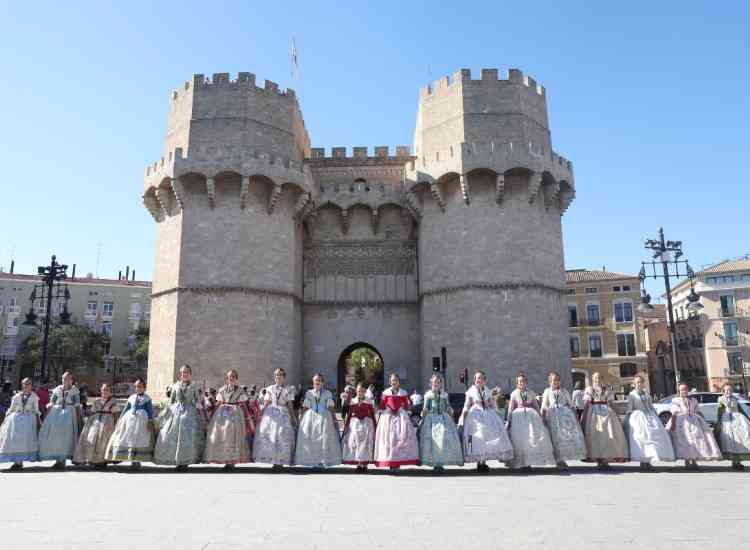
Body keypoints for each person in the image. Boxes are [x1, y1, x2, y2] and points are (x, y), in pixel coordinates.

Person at [154, 364, 206, 470]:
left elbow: (197, 400)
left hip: (190, 413)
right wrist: (165, 410)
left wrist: (200, 406)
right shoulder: (175, 385)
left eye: (186, 372)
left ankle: (185, 461)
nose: (184, 374)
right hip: (176, 412)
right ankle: (175, 459)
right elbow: (172, 400)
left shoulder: (194, 386)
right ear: (180, 374)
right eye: (183, 372)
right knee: (171, 435)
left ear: (190, 374)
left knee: (187, 437)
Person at [460, 371, 514, 472]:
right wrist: (463, 416)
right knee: (478, 438)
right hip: (475, 416)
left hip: (487, 415)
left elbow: (492, 404)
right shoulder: (471, 391)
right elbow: (467, 405)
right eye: (478, 379)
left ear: (485, 380)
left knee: (488, 438)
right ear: (475, 381)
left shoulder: (487, 391)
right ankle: (479, 462)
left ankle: (483, 462)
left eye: (482, 378)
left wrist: (497, 413)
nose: (480, 380)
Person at [204, 370, 253, 468]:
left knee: (234, 437)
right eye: (230, 377)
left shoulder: (240, 391)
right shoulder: (222, 390)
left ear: (236, 378)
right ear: (227, 378)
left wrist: (248, 417)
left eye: (234, 376)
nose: (231, 378)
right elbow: (218, 402)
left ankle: (232, 461)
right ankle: (225, 459)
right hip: (223, 414)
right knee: (223, 436)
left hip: (236, 414)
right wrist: (210, 410)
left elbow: (244, 404)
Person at [624, 375, 675, 469]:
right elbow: (630, 408)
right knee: (642, 439)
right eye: (637, 382)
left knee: (653, 437)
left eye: (641, 382)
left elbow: (650, 406)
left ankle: (648, 461)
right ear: (634, 384)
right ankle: (643, 461)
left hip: (650, 416)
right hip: (638, 417)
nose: (639, 384)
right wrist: (628, 419)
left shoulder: (646, 394)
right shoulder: (632, 394)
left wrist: (655, 415)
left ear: (643, 383)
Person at [506, 373, 555, 471]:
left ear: (526, 382)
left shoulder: (531, 393)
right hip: (518, 419)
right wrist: (509, 420)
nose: (522, 383)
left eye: (523, 381)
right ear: (517, 383)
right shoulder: (514, 393)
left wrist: (541, 417)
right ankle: (521, 462)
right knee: (520, 440)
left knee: (530, 439)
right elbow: (510, 408)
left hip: (531, 418)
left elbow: (536, 406)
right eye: (520, 381)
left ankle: (528, 462)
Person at [667, 383, 721, 470]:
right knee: (685, 441)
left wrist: (703, 420)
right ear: (679, 391)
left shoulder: (693, 400)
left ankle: (695, 460)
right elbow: (674, 413)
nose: (683, 391)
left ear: (688, 390)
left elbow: (697, 411)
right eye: (681, 390)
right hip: (682, 422)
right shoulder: (676, 400)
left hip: (694, 420)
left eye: (685, 389)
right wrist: (673, 424)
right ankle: (687, 461)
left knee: (696, 440)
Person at [580, 372, 628, 469]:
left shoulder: (607, 389)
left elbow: (610, 402)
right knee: (596, 436)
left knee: (608, 435)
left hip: (607, 413)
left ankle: (605, 459)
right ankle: (598, 459)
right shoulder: (589, 389)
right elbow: (586, 403)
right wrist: (583, 416)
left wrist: (616, 413)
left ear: (602, 379)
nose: (597, 380)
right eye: (595, 378)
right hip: (594, 414)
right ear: (592, 379)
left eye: (599, 378)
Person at [540, 371, 586, 469]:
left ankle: (562, 458)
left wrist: (574, 415)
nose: (556, 382)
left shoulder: (564, 391)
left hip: (564, 417)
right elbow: (544, 404)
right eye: (553, 380)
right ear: (550, 382)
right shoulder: (547, 391)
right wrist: (543, 414)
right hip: (552, 415)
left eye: (557, 380)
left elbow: (570, 404)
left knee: (563, 438)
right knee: (554, 438)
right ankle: (557, 459)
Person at [294, 373, 342, 467]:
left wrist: (334, 418)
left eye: (319, 380)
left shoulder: (327, 393)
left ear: (322, 382)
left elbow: (331, 407)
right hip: (311, 418)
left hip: (324, 417)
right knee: (312, 439)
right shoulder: (309, 393)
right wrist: (301, 417)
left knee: (323, 439)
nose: (318, 382)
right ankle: (313, 461)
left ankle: (322, 461)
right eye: (316, 380)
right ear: (313, 382)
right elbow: (305, 407)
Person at [253, 368, 296, 469]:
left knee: (282, 436)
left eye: (280, 374)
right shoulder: (269, 388)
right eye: (276, 375)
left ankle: (280, 461)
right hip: (271, 413)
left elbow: (290, 404)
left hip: (283, 413)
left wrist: (293, 417)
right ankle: (273, 460)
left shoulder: (288, 389)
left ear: (284, 376)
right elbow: (266, 402)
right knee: (270, 436)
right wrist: (261, 414)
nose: (278, 376)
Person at [374, 373, 419, 469]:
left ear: (399, 382)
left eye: (396, 380)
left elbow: (407, 404)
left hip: (400, 416)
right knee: (389, 438)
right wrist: (381, 413)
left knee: (401, 436)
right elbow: (382, 404)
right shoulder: (386, 392)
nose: (394, 382)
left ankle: (398, 461)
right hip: (388, 416)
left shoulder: (403, 392)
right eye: (392, 380)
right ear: (390, 382)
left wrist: (407, 412)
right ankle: (390, 461)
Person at [105, 379, 154, 468]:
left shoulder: (147, 398)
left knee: (139, 439)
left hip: (141, 421)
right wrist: (120, 420)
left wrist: (150, 421)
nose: (138, 388)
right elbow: (126, 409)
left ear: (144, 388)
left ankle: (137, 460)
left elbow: (150, 410)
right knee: (129, 438)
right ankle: (130, 458)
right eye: (136, 387)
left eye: (140, 387)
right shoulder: (131, 397)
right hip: (129, 420)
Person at [419, 373, 463, 470]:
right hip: (431, 418)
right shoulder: (428, 395)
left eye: (438, 382)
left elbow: (447, 406)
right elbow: (425, 407)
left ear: (441, 384)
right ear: (431, 383)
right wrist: (423, 415)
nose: (436, 384)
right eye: (434, 382)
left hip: (443, 418)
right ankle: (435, 462)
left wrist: (451, 413)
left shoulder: (444, 395)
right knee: (433, 440)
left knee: (444, 438)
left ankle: (440, 462)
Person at [38, 371, 81, 469]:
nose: (66, 381)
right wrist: (46, 417)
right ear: (62, 379)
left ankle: (63, 459)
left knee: (67, 437)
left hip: (70, 415)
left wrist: (79, 418)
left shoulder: (74, 390)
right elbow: (51, 403)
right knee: (56, 436)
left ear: (71, 380)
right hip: (56, 415)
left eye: (68, 379)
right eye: (64, 379)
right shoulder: (57, 390)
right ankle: (58, 459)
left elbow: (77, 405)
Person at [73, 383, 119, 467]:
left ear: (110, 392)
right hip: (96, 421)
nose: (105, 392)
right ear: (101, 391)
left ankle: (103, 460)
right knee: (92, 438)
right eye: (103, 390)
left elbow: (115, 414)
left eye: (107, 390)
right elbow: (92, 412)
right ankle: (93, 459)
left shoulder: (113, 401)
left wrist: (116, 424)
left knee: (104, 440)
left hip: (108, 422)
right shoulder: (97, 401)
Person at [0, 378, 41, 470]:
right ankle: (17, 462)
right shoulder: (16, 396)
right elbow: (11, 409)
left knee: (25, 442)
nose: (27, 386)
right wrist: (6, 420)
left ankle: (21, 460)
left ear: (31, 385)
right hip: (16, 421)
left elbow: (36, 410)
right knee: (15, 440)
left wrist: (39, 422)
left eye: (29, 384)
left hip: (29, 421)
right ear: (22, 385)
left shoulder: (34, 397)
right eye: (25, 384)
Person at [714, 383, 750, 470]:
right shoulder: (721, 399)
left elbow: (740, 410)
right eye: (726, 390)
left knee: (740, 439)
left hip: (738, 421)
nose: (728, 391)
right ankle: (734, 461)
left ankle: (738, 461)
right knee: (730, 441)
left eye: (729, 390)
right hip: (727, 421)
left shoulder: (735, 399)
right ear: (723, 391)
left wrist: (747, 418)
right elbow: (719, 411)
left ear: (732, 391)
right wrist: (718, 422)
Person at [342, 383, 377, 471]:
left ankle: (365, 464)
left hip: (366, 423)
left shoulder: (368, 401)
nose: (360, 393)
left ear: (365, 392)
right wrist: (346, 425)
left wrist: (376, 425)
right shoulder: (353, 401)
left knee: (365, 443)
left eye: (362, 391)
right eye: (358, 391)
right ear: (356, 392)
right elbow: (349, 414)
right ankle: (359, 463)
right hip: (355, 423)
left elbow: (372, 414)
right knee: (356, 443)